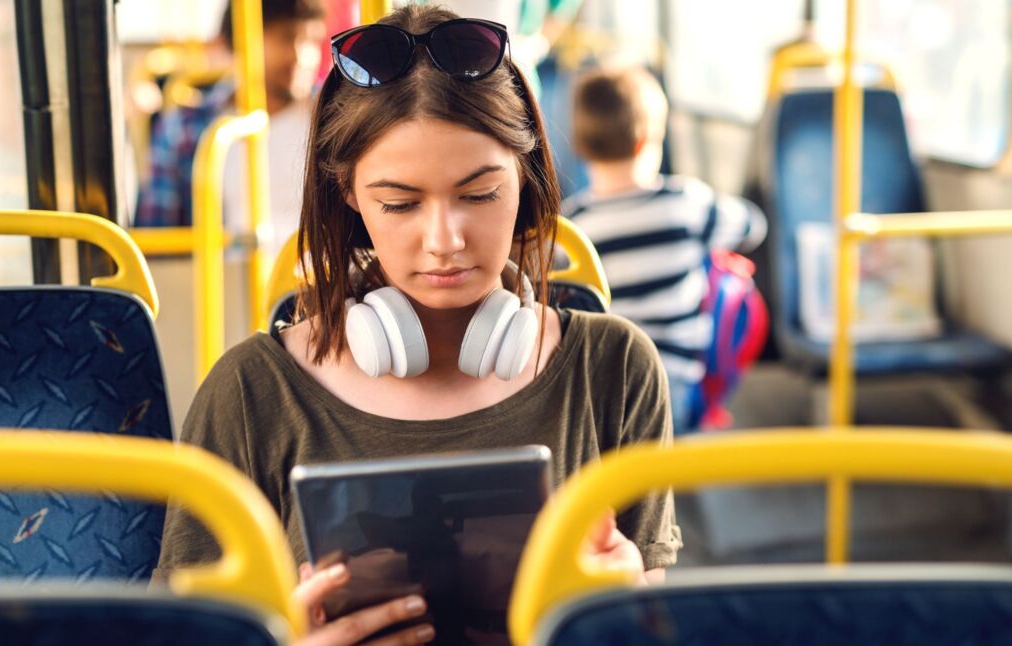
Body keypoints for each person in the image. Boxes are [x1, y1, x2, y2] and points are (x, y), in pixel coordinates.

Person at [157, 6, 681, 644]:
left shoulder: (616, 369)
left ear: (525, 181)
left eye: (480, 194)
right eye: (400, 203)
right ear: (348, 194)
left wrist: (624, 618)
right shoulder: (249, 394)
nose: (444, 241)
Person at [563, 65, 766, 434]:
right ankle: (707, 411)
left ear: (581, 146)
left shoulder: (572, 224)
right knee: (727, 280)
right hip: (674, 393)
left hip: (597, 394)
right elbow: (752, 226)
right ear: (646, 142)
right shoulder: (686, 202)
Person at [134, 0, 326, 249]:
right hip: (227, 284)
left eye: (313, 41)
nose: (302, 56)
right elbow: (158, 239)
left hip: (324, 281)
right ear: (241, 43)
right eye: (285, 38)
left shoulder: (331, 119)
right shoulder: (186, 129)